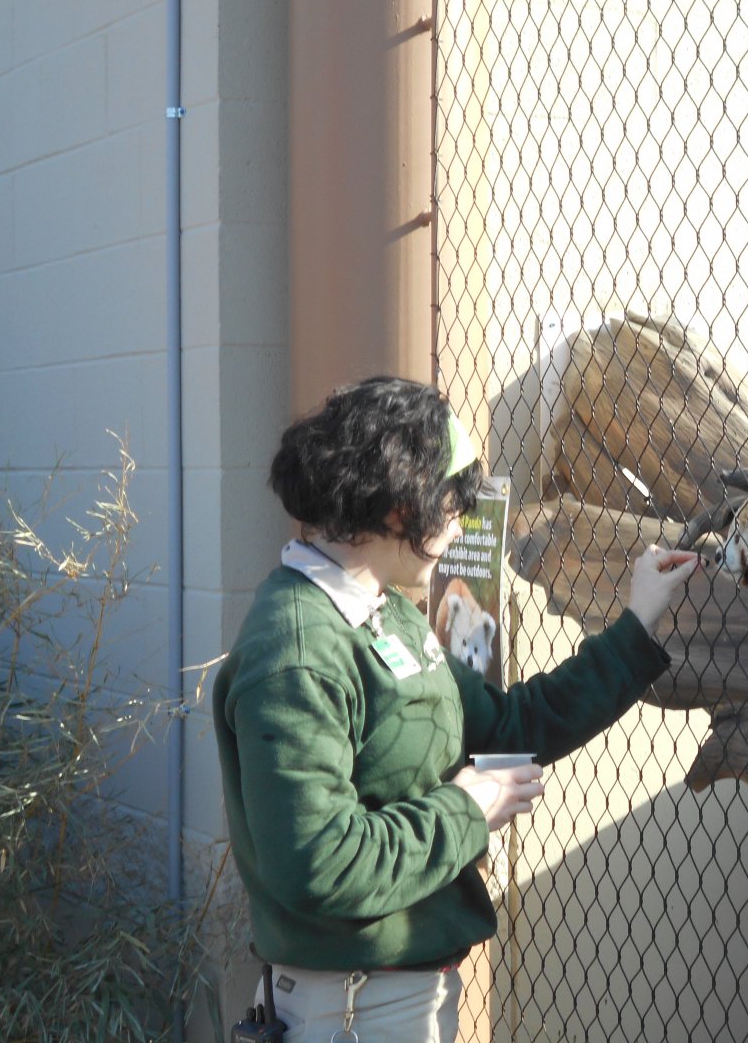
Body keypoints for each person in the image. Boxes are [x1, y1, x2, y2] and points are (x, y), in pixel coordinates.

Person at [212, 376, 700, 1041]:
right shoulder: (299, 652)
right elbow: (319, 865)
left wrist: (638, 621)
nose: (461, 521)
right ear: (396, 505)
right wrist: (467, 809)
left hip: (400, 998)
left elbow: (509, 725)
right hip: (351, 1011)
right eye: (451, 502)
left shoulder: (385, 614)